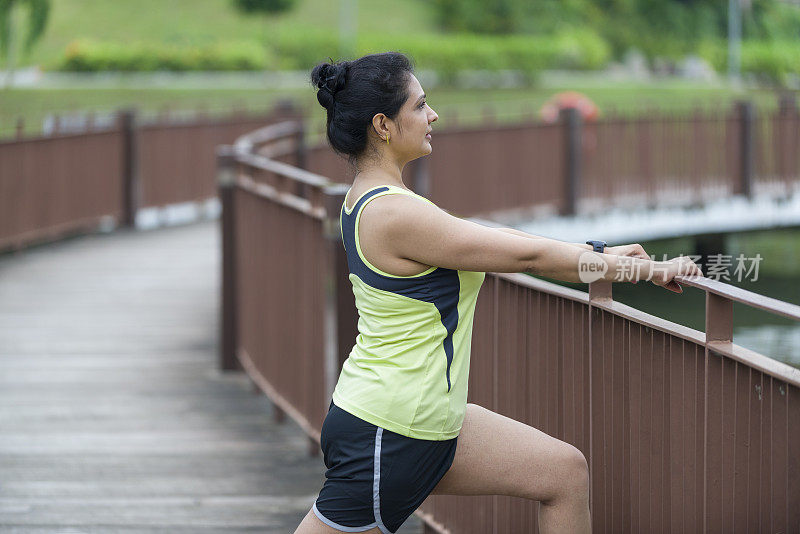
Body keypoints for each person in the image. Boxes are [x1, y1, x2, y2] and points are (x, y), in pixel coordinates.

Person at [294, 52, 702, 534]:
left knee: (563, 473)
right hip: (391, 428)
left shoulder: (380, 198)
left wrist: (598, 251)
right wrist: (643, 272)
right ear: (383, 125)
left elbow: (493, 239)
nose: (433, 116)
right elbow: (525, 259)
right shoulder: (393, 213)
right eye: (421, 105)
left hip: (425, 421)